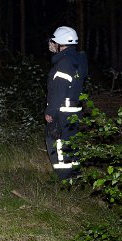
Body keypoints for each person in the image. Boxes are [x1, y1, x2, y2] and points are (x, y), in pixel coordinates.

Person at [45, 26, 88, 180]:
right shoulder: (77, 60)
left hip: (62, 111)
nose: (52, 44)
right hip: (74, 110)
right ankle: (75, 175)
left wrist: (50, 112)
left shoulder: (63, 63)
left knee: (57, 144)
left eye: (54, 41)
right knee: (71, 142)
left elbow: (58, 91)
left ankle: (65, 179)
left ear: (61, 43)